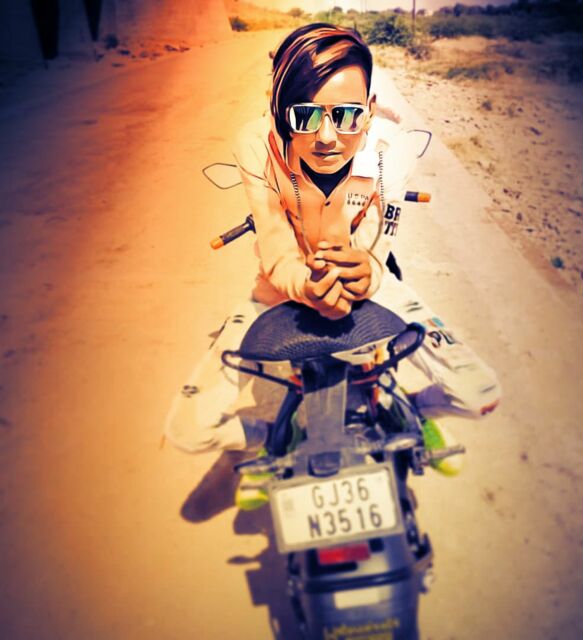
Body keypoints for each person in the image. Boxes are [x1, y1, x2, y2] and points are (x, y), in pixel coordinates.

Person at [164, 24, 500, 476]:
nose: (326, 136)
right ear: (279, 111)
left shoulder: (390, 151)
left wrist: (369, 272)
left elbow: (379, 241)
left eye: (346, 115)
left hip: (371, 287)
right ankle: (278, 438)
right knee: (187, 428)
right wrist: (304, 284)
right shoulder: (256, 144)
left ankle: (411, 414)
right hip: (278, 289)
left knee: (480, 393)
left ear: (369, 111)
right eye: (304, 115)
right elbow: (275, 241)